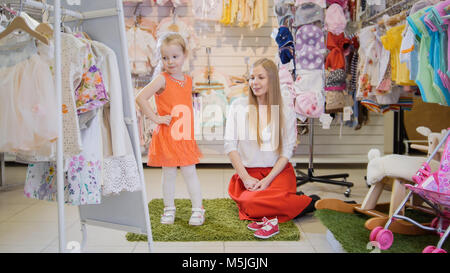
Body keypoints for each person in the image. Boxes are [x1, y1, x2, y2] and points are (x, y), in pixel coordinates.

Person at [224, 58, 320, 239]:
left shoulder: (285, 109)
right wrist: (245, 178)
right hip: (249, 175)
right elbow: (230, 146)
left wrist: (268, 180)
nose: (255, 82)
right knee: (248, 201)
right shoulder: (238, 106)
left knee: (252, 205)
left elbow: (286, 152)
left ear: (272, 80)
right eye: (252, 77)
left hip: (277, 174)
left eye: (261, 77)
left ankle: (297, 200)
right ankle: (302, 202)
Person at [135, 33, 204, 226]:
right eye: (165, 58)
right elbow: (140, 98)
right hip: (167, 135)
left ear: (184, 55)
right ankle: (169, 209)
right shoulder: (161, 79)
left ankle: (198, 210)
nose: (170, 62)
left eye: (175, 57)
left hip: (184, 135)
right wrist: (155, 118)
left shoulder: (188, 80)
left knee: (190, 172)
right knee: (169, 174)